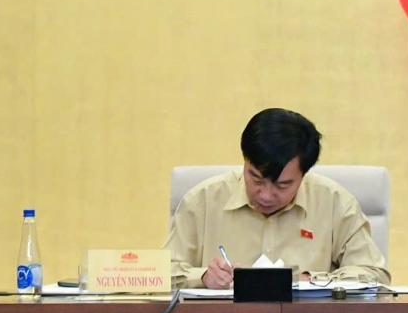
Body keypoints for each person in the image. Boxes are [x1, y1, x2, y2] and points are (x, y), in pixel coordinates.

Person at [166, 108, 389, 287]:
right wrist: (203, 277)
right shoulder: (202, 201)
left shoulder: (335, 203)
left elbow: (375, 274)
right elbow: (162, 274)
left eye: (283, 185)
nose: (265, 195)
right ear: (245, 160)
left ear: (304, 174)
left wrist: (313, 281)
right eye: (256, 178)